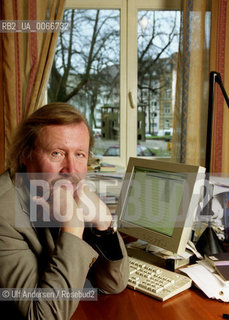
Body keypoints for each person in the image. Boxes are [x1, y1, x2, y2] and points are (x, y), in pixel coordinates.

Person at [0, 103, 129, 319]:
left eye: (80, 155)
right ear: (26, 154)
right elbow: (42, 316)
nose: (70, 170)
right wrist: (73, 225)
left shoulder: (66, 193)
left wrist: (104, 226)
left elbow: (113, 284)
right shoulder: (4, 215)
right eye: (57, 153)